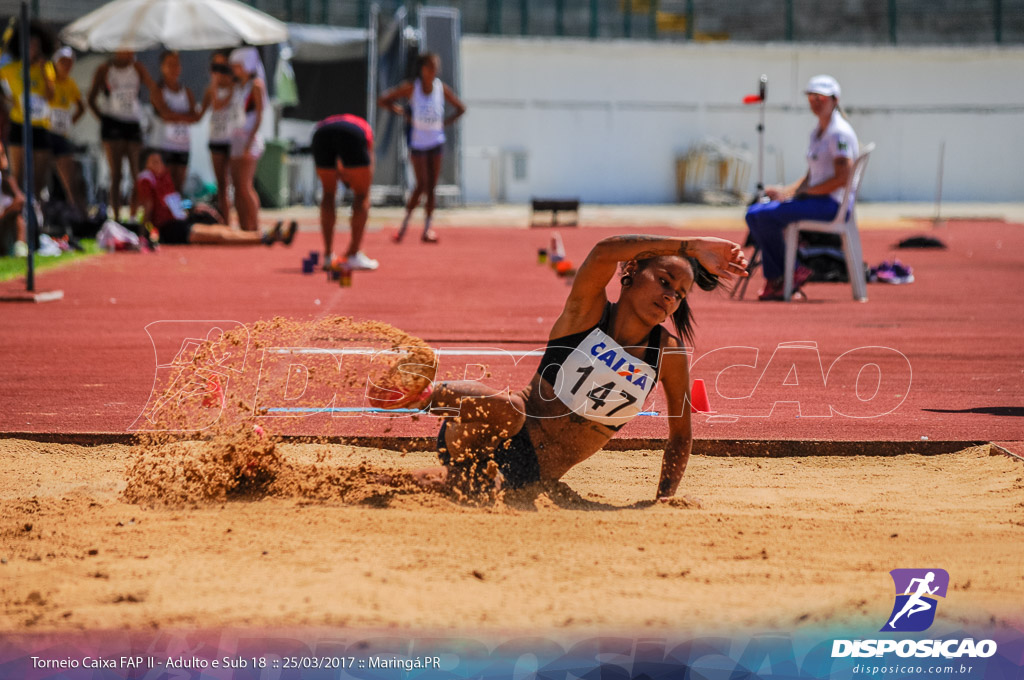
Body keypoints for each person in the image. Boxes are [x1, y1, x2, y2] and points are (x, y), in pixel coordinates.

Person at [368, 234, 749, 499]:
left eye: (679, 294)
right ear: (631, 271)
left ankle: (371, 484)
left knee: (459, 489)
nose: (669, 296)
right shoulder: (587, 313)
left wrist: (665, 497)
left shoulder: (668, 355)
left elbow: (681, 434)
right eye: (664, 281)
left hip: (531, 475)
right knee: (513, 409)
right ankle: (415, 395)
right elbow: (603, 251)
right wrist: (690, 246)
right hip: (489, 429)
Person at [744, 74, 859, 301]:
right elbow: (811, 176)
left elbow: (842, 178)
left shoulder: (838, 133)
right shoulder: (819, 131)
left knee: (763, 217)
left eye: (821, 98)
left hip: (831, 204)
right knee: (755, 212)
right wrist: (787, 192)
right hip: (816, 200)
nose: (815, 102)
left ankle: (786, 274)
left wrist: (803, 194)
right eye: (812, 97)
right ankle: (785, 273)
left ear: (835, 100)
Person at [378, 52, 466, 244]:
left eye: (436, 66)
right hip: (418, 143)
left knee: (432, 188)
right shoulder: (412, 88)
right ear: (423, 69)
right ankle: (404, 226)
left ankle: (427, 229)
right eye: (431, 66)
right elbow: (384, 100)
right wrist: (403, 112)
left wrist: (445, 122)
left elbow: (461, 108)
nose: (434, 70)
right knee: (421, 185)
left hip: (436, 141)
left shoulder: (441, 89)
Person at [137, 147, 293, 247]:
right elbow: (147, 208)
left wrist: (191, 207)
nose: (157, 165)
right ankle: (263, 237)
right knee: (219, 236)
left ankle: (271, 235)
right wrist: (144, 235)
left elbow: (175, 204)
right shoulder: (146, 179)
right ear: (145, 165)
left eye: (159, 162)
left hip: (181, 220)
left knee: (223, 230)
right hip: (170, 228)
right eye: (153, 162)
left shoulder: (164, 179)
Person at [87, 51, 155, 220]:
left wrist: (159, 113)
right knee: (116, 174)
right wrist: (104, 119)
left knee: (136, 173)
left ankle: (135, 215)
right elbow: (91, 98)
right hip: (112, 123)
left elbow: (153, 88)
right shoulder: (105, 69)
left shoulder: (138, 68)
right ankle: (116, 217)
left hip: (132, 123)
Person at [311, 113, 378, 271]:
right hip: (352, 134)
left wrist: (341, 173)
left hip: (320, 133)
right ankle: (353, 254)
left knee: (328, 193)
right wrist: (356, 180)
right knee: (362, 194)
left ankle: (328, 256)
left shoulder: (333, 121)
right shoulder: (366, 129)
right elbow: (369, 167)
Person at [0, 19, 56, 198]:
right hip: (19, 123)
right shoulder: (11, 68)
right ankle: (18, 214)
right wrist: (8, 101)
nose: (33, 48)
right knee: (17, 176)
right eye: (29, 44)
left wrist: (43, 72)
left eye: (36, 45)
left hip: (40, 125)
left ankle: (36, 214)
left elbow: (51, 95)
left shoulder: (46, 68)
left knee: (39, 180)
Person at [227, 47, 266, 233]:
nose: (234, 70)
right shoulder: (237, 87)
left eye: (237, 66)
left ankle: (255, 227)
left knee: (245, 185)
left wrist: (250, 141)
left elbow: (259, 116)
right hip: (235, 137)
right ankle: (244, 226)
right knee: (236, 186)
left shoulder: (256, 85)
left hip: (248, 139)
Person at [148, 50, 198, 194]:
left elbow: (195, 117)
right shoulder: (158, 90)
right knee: (165, 185)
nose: (174, 68)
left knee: (179, 186)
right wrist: (184, 117)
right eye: (170, 64)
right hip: (165, 145)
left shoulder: (186, 91)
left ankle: (175, 215)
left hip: (183, 145)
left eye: (176, 64)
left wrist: (175, 116)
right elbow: (165, 115)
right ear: (162, 67)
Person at [197, 51, 235, 224]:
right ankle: (226, 221)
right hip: (216, 139)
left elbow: (220, 105)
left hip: (234, 141)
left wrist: (219, 85)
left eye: (223, 68)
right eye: (215, 68)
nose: (219, 72)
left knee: (239, 184)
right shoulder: (209, 90)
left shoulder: (236, 87)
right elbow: (198, 115)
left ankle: (243, 222)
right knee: (221, 184)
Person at [48, 46, 86, 212]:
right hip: (44, 133)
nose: (67, 66)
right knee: (41, 178)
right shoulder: (48, 79)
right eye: (63, 62)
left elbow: (81, 107)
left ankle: (76, 214)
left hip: (60, 135)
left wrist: (70, 122)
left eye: (70, 63)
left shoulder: (70, 84)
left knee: (70, 178)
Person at [0, 137, 27, 256]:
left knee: (18, 217)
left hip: (4, 220)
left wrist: (4, 213)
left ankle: (20, 249)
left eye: (2, 154)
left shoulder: (6, 178)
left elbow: (20, 200)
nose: (3, 159)